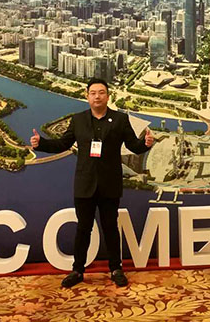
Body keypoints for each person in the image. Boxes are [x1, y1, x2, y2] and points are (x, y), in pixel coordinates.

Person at [30, 77, 154, 288]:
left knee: (111, 228)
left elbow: (134, 146)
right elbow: (63, 144)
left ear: (108, 96)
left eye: (101, 92)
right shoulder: (78, 120)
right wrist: (41, 144)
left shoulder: (120, 119)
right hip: (85, 184)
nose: (97, 96)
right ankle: (78, 270)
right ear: (87, 96)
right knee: (83, 229)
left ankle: (116, 269)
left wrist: (146, 144)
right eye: (93, 93)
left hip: (109, 183)